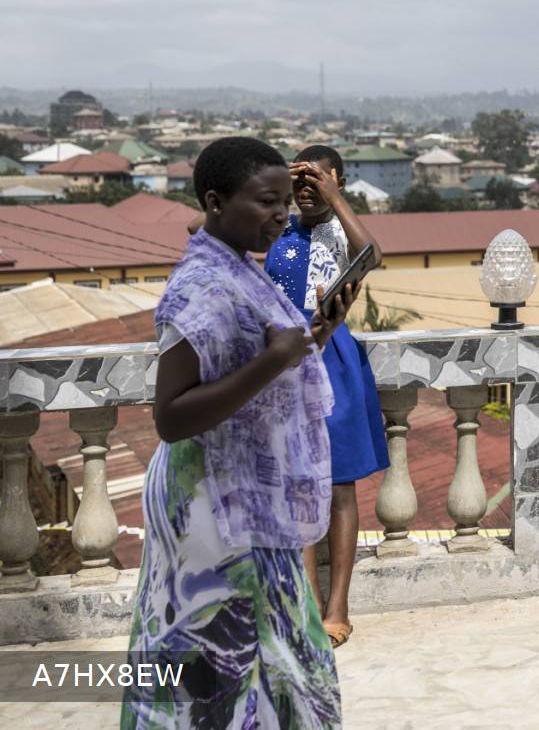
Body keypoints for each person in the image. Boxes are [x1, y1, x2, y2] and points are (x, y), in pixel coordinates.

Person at [122, 137, 361, 728]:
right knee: (220, 671)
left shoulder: (244, 272)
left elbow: (257, 365)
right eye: (265, 201)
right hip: (211, 504)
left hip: (247, 496)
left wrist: (315, 337)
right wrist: (274, 361)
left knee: (280, 662)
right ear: (215, 201)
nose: (281, 214)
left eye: (285, 202)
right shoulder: (199, 284)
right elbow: (172, 416)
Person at [263, 145, 387, 649]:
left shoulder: (343, 232)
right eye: (301, 179)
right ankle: (309, 607)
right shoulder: (277, 230)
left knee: (338, 488)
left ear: (336, 179)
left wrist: (335, 199)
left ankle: (339, 605)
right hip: (283, 363)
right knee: (298, 488)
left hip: (333, 363)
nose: (307, 188)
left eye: (318, 179)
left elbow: (372, 257)